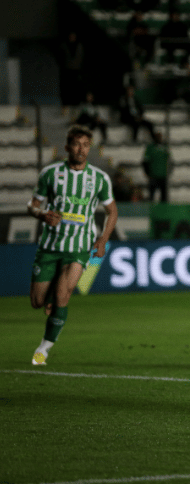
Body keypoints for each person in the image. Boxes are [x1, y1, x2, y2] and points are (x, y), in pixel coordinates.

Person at [27, 125, 118, 366]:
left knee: (63, 295)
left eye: (86, 144)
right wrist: (42, 214)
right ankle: (51, 296)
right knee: (37, 302)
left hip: (79, 248)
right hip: (49, 246)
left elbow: (112, 211)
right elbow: (32, 205)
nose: (81, 149)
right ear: (67, 147)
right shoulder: (50, 173)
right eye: (77, 144)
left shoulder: (99, 178)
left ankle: (43, 350)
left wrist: (103, 240)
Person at [142, 131, 172, 202]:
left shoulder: (165, 148)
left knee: (164, 197)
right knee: (151, 196)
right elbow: (145, 162)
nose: (159, 138)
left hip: (163, 175)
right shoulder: (150, 148)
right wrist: (147, 173)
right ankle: (151, 211)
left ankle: (164, 212)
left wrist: (169, 172)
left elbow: (170, 161)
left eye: (160, 137)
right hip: (153, 176)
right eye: (157, 137)